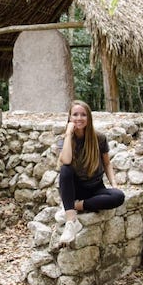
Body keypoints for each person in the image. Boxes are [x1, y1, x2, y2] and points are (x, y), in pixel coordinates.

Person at [56, 100, 125, 245]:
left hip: (95, 187)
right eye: (75, 114)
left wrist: (114, 184)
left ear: (89, 118)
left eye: (83, 115)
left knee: (118, 196)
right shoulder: (64, 140)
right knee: (65, 169)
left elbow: (107, 163)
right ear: (69, 118)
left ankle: (73, 206)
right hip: (75, 189)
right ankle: (71, 222)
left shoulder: (99, 138)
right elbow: (66, 161)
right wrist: (68, 134)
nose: (79, 118)